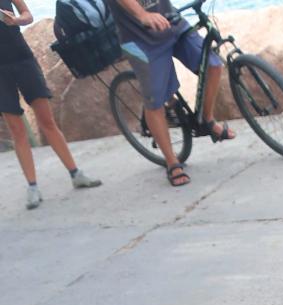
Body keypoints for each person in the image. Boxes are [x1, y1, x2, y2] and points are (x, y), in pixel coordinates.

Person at [107, 0, 234, 187]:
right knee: (155, 102)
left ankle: (207, 120)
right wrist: (143, 15)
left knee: (213, 65)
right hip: (140, 40)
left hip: (172, 23)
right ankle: (172, 162)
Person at [0, 0, 101, 210]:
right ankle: (32, 186)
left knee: (47, 121)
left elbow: (28, 15)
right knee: (17, 130)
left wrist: (15, 20)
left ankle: (76, 173)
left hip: (22, 59)